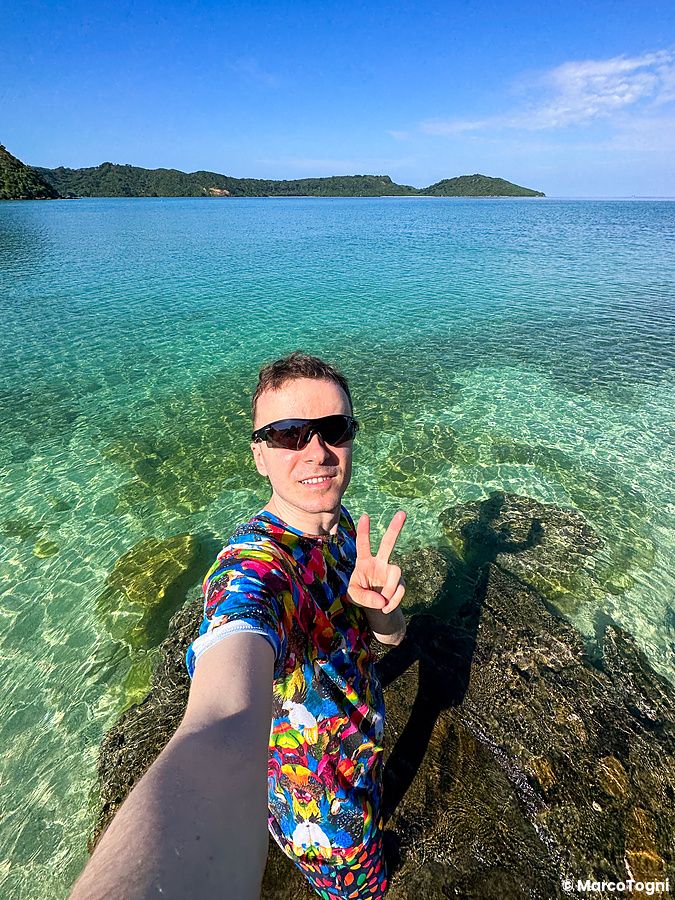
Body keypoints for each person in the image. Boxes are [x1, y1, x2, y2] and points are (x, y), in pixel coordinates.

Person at [69, 351, 407, 900]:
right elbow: (221, 716)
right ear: (259, 455)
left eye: (332, 429)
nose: (317, 452)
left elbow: (392, 639)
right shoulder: (251, 568)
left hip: (362, 748)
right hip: (321, 808)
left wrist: (379, 610)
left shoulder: (344, 527)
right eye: (289, 435)